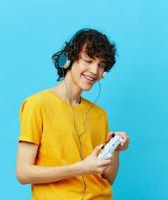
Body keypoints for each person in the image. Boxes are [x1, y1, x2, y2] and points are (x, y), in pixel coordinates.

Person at [16, 28, 129, 200]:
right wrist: (82, 168)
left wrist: (115, 151)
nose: (94, 70)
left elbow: (107, 179)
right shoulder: (37, 104)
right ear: (69, 59)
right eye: (88, 60)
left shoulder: (100, 115)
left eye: (101, 65)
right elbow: (23, 173)